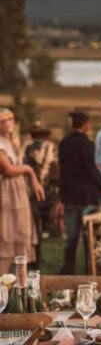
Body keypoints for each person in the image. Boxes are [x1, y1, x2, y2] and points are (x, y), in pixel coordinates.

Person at [56, 111, 101, 274]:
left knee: (71, 236)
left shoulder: (64, 143)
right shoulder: (87, 144)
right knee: (89, 236)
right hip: (87, 196)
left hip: (70, 195)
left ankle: (68, 269)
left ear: (72, 124)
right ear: (85, 125)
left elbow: (63, 170)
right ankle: (90, 269)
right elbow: (89, 169)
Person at [0, 108, 44, 273]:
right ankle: (2, 287)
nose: (8, 124)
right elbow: (7, 169)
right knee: (5, 239)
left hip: (19, 194)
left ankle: (22, 289)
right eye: (3, 121)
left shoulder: (12, 142)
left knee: (22, 239)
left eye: (10, 119)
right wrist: (29, 170)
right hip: (6, 193)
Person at [23, 121, 58, 248]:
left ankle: (40, 233)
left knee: (37, 213)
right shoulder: (47, 146)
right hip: (41, 184)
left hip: (37, 184)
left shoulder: (29, 146)